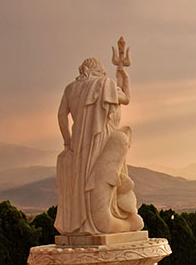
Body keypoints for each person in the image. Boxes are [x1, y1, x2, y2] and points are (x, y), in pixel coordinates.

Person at [54, 57, 143, 235]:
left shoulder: (70, 89)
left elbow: (61, 115)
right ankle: (106, 219)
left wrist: (67, 142)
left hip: (79, 143)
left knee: (83, 180)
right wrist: (124, 76)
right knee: (103, 179)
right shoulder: (105, 84)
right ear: (100, 71)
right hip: (102, 137)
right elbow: (125, 98)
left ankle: (83, 224)